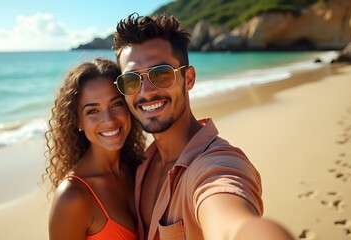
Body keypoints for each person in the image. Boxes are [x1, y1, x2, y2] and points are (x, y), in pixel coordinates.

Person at [113, 13, 294, 240]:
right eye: (131, 80)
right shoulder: (143, 164)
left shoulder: (215, 165)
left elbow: (232, 221)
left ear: (188, 79)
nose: (146, 91)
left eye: (161, 74)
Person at [44, 58, 146, 240]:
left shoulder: (138, 169)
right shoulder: (73, 197)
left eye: (116, 104)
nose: (109, 120)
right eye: (93, 111)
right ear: (77, 121)